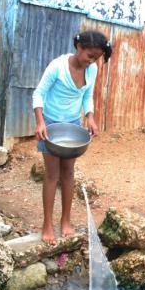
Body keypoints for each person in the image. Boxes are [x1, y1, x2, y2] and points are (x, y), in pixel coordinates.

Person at [33, 30, 110, 243]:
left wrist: (91, 118)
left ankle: (65, 220)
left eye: (96, 58)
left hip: (72, 125)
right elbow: (38, 94)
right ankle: (47, 224)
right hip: (49, 124)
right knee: (51, 174)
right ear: (79, 48)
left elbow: (87, 96)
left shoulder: (91, 69)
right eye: (90, 56)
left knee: (68, 173)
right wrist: (40, 122)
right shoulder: (57, 66)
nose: (92, 61)